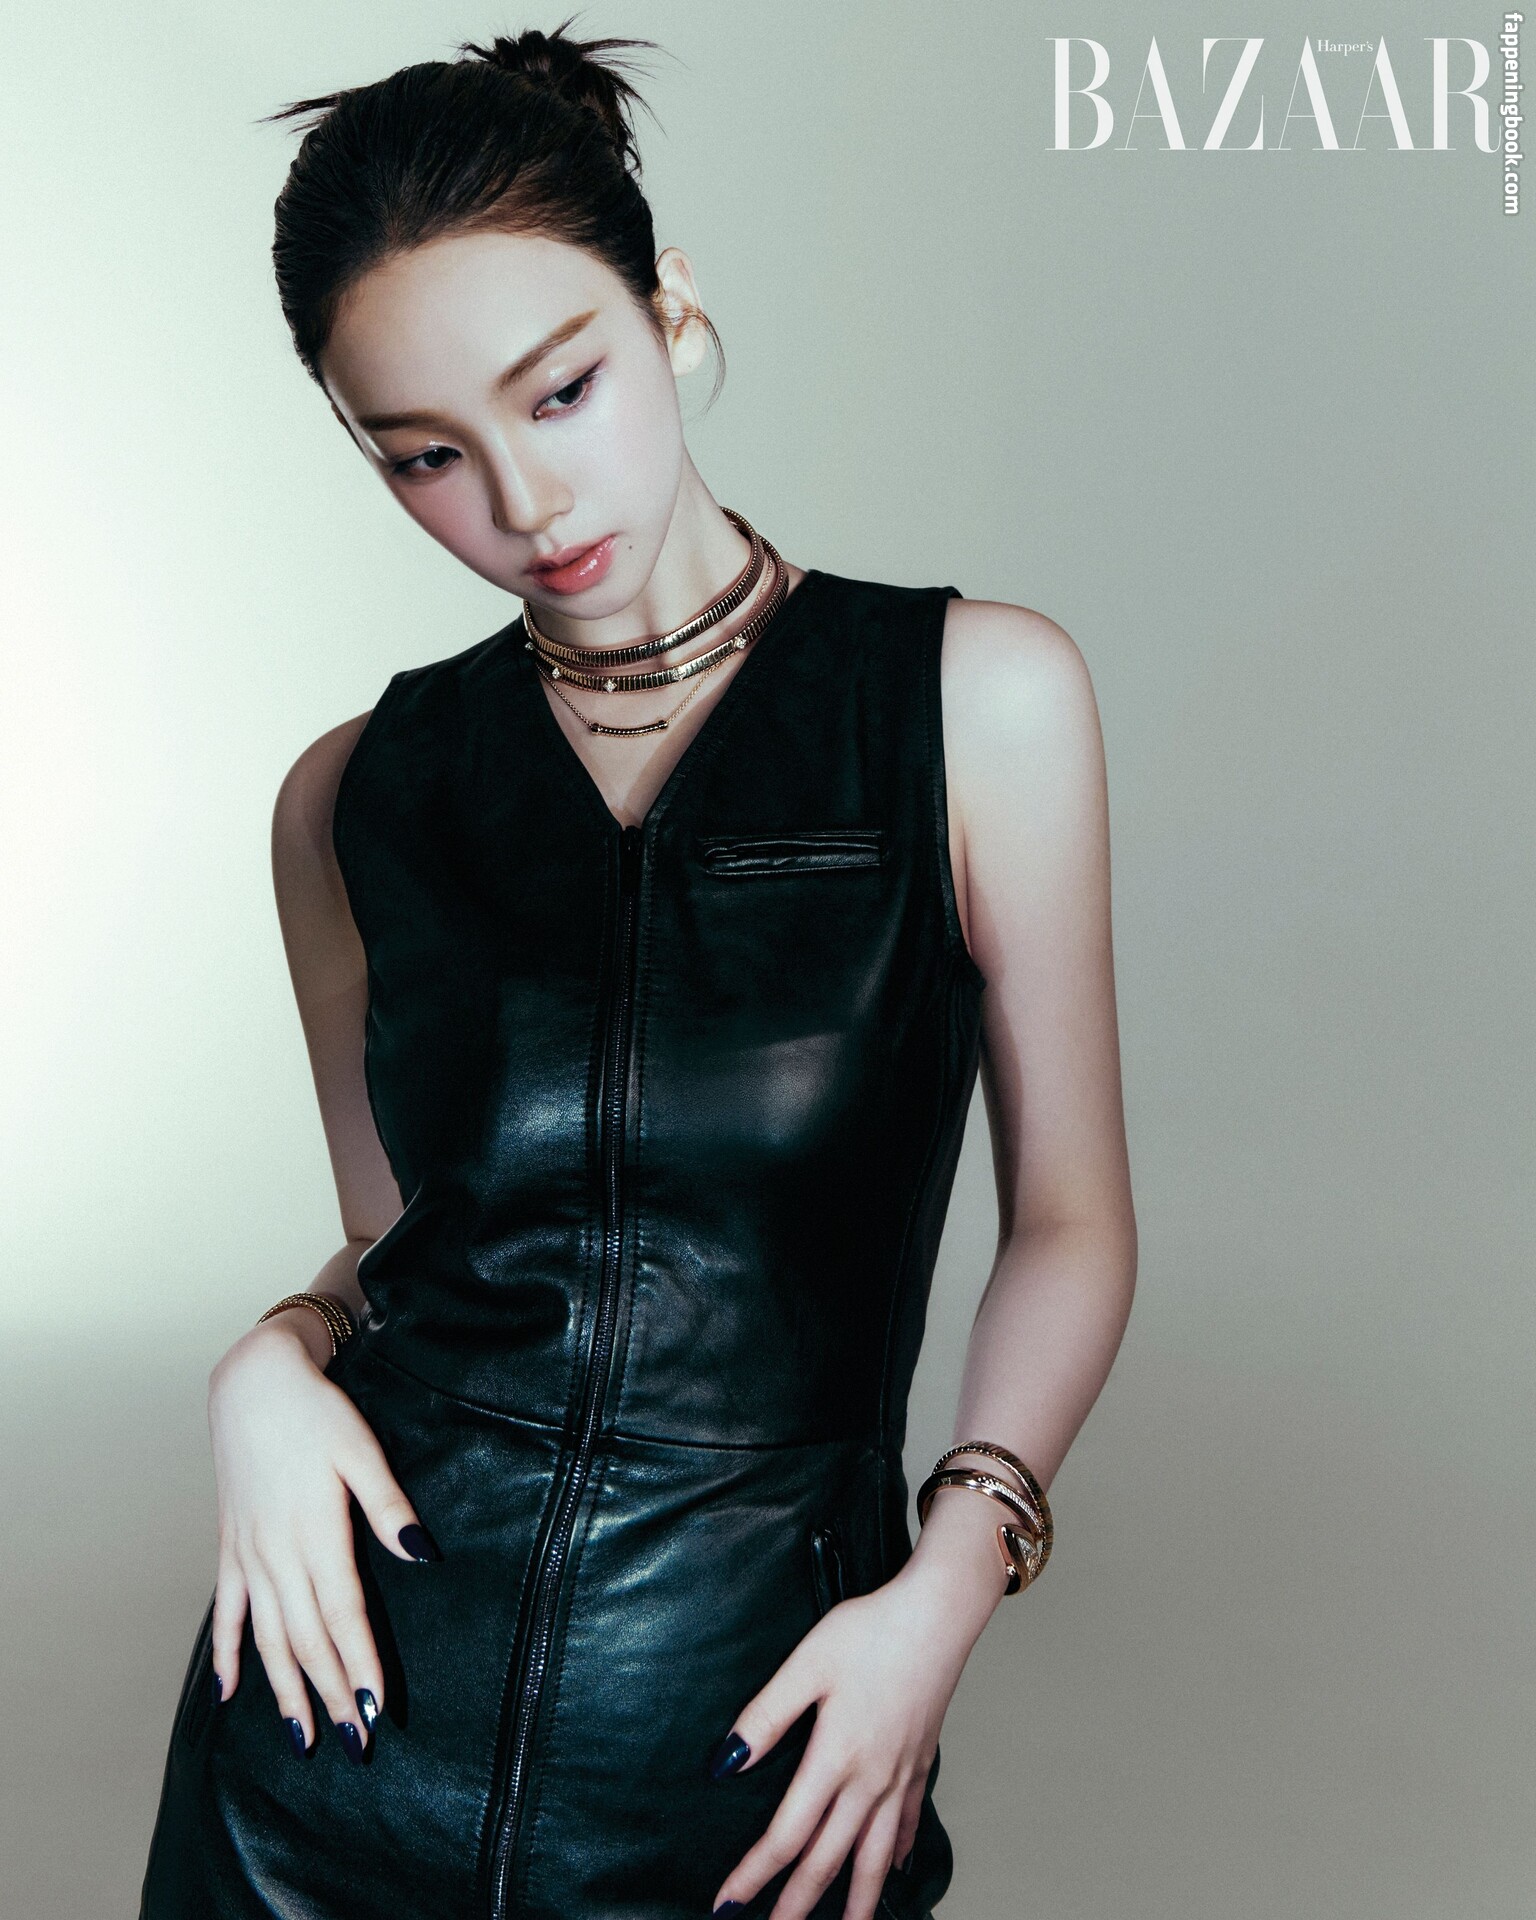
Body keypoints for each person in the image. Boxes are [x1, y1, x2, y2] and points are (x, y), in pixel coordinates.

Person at [139, 22, 1138, 1920]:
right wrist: (270, 1362)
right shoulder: (351, 798)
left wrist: (948, 1582)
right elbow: (396, 1245)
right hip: (323, 1756)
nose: (523, 501)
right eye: (426, 456)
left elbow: (1073, 1221)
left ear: (669, 311)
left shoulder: (972, 704)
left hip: (750, 1762)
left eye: (564, 388)